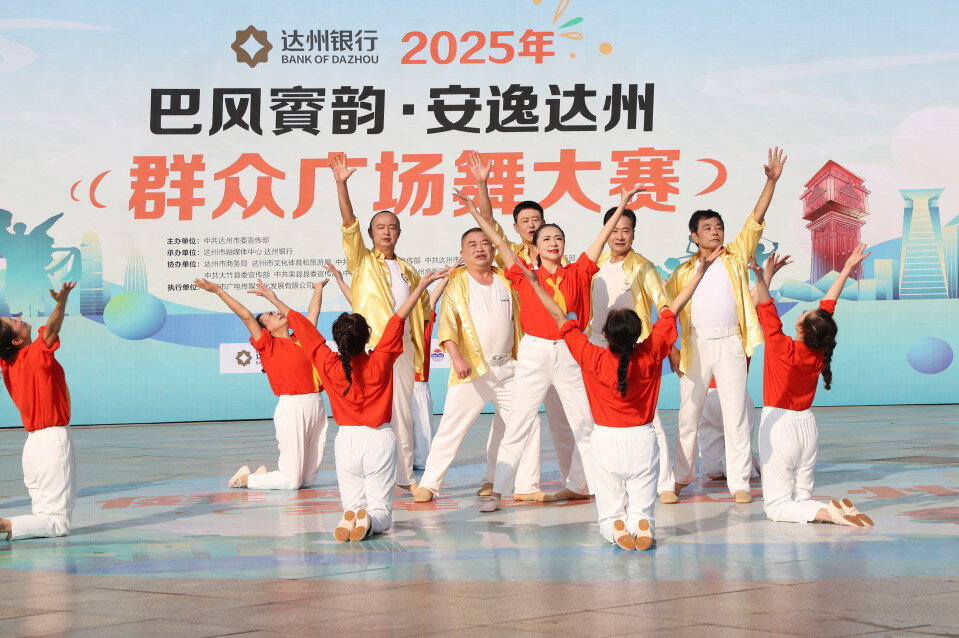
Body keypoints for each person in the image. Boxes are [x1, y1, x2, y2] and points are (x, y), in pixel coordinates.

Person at [459, 183, 646, 512]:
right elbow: (498, 240)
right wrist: (474, 210)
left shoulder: (580, 271)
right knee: (518, 424)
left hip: (571, 352)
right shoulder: (524, 274)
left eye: (558, 238)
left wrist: (622, 205)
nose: (553, 243)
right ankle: (498, 492)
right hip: (535, 352)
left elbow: (602, 236)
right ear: (535, 245)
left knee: (584, 425)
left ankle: (597, 489)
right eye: (546, 239)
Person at [519, 247, 721, 549]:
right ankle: (643, 524)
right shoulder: (650, 352)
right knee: (642, 503)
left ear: (605, 334)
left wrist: (536, 285)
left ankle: (615, 527)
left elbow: (559, 315)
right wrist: (700, 273)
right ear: (639, 333)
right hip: (643, 440)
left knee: (610, 507)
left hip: (606, 442)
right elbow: (674, 308)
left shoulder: (591, 356)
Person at [665, 147, 787, 504]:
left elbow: (755, 219)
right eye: (707, 228)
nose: (715, 232)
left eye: (719, 227)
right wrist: (672, 349)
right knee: (688, 415)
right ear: (694, 236)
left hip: (731, 342)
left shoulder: (734, 257)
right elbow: (667, 313)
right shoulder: (682, 272)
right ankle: (680, 478)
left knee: (736, 414)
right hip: (695, 345)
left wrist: (771, 182)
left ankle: (740, 482)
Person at [287, 271, 446, 542]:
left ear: (337, 339)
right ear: (367, 336)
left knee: (353, 502)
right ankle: (371, 521)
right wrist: (420, 287)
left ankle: (350, 515)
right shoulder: (380, 360)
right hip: (379, 439)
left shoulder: (327, 363)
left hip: (346, 441)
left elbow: (304, 329)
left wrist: (274, 299)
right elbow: (398, 320)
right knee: (381, 510)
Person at [465, 151, 585, 500]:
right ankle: (506, 484)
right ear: (517, 227)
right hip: (524, 349)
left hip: (562, 348)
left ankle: (575, 483)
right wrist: (482, 185)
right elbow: (489, 226)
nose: (532, 226)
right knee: (515, 422)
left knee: (566, 422)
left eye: (537, 220)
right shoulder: (514, 257)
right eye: (525, 221)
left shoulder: (560, 260)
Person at [413, 228, 541, 503]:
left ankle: (523, 485)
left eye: (485, 243)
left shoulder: (506, 278)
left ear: (494, 249)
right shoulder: (457, 282)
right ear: (462, 252)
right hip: (471, 369)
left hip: (508, 369)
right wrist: (456, 357)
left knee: (528, 423)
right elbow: (447, 324)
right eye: (472, 244)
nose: (479, 248)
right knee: (451, 429)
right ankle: (430, 485)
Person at [750, 246, 874, 526]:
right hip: (807, 427)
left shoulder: (782, 347)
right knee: (801, 498)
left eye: (806, 313)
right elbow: (828, 305)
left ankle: (829, 514)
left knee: (777, 507)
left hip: (779, 426)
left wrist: (761, 276)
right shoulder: (819, 349)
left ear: (801, 327)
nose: (808, 311)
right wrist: (847, 268)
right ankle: (841, 512)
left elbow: (765, 306)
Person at [330, 153, 431, 493]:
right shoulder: (361, 260)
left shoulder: (409, 270)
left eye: (392, 227)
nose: (386, 232)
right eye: (380, 227)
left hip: (400, 350)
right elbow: (349, 223)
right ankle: (363, 475)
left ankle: (406, 477)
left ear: (399, 232)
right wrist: (341, 185)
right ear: (371, 233)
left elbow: (421, 312)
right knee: (368, 412)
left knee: (401, 412)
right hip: (370, 349)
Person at [194, 278, 328, 490]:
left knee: (308, 480)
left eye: (275, 311)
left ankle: (262, 477)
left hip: (317, 405)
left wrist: (318, 288)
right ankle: (245, 479)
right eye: (270, 315)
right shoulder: (268, 345)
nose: (276, 313)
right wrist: (219, 291)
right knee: (291, 482)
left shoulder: (302, 338)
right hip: (293, 407)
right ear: (265, 329)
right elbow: (246, 316)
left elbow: (314, 312)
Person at [323, 260, 453, 472]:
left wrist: (440, 281)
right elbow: (361, 303)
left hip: (417, 383)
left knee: (419, 434)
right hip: (401, 383)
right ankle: (402, 469)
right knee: (398, 424)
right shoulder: (384, 344)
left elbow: (427, 302)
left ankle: (415, 467)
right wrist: (339, 280)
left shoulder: (418, 321)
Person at [588, 205, 676, 504]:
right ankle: (596, 484)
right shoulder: (593, 264)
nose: (619, 236)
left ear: (634, 234)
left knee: (649, 417)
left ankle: (665, 483)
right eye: (614, 230)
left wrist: (670, 346)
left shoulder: (643, 267)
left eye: (625, 230)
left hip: (633, 347)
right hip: (598, 347)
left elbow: (664, 304)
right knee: (594, 419)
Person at [0, 281, 77, 541]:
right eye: (14, 321)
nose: (18, 318)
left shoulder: (7, 363)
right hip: (52, 442)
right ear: (16, 340)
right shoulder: (35, 354)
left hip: (33, 447)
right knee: (57, 524)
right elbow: (53, 328)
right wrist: (61, 302)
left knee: (42, 515)